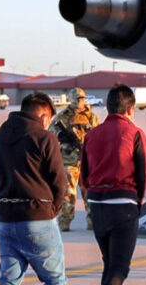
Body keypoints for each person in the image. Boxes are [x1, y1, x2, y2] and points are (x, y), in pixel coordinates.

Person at [0, 92, 69, 285]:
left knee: (9, 280)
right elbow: (60, 181)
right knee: (55, 279)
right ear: (43, 116)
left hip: (7, 221)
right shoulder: (45, 138)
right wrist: (51, 210)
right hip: (38, 218)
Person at [82, 85, 146, 285]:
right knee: (120, 268)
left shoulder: (91, 135)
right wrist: (137, 202)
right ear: (130, 109)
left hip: (96, 202)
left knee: (109, 263)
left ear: (108, 106)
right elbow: (142, 174)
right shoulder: (135, 133)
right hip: (122, 202)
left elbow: (84, 174)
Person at [51, 88, 99, 231]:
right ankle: (64, 222)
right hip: (69, 160)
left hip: (87, 161)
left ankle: (93, 221)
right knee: (68, 195)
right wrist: (63, 140)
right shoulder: (62, 118)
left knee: (89, 193)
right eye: (77, 99)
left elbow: (98, 135)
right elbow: (52, 133)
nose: (80, 101)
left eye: (82, 99)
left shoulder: (91, 117)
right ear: (71, 99)